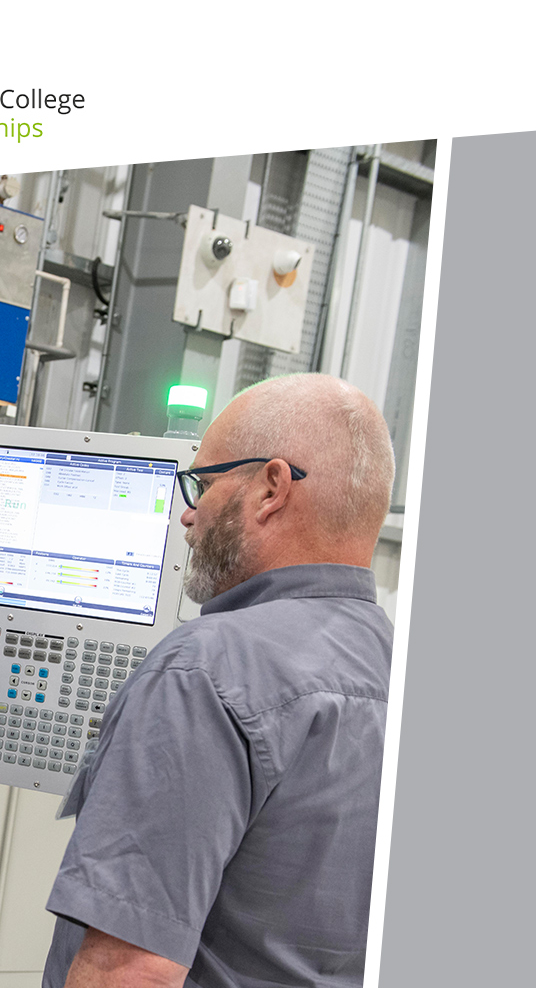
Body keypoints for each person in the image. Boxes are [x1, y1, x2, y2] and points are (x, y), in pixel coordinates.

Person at [42, 373, 396, 988]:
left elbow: (132, 970)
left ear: (270, 488)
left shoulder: (206, 671)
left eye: (203, 483)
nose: (188, 511)